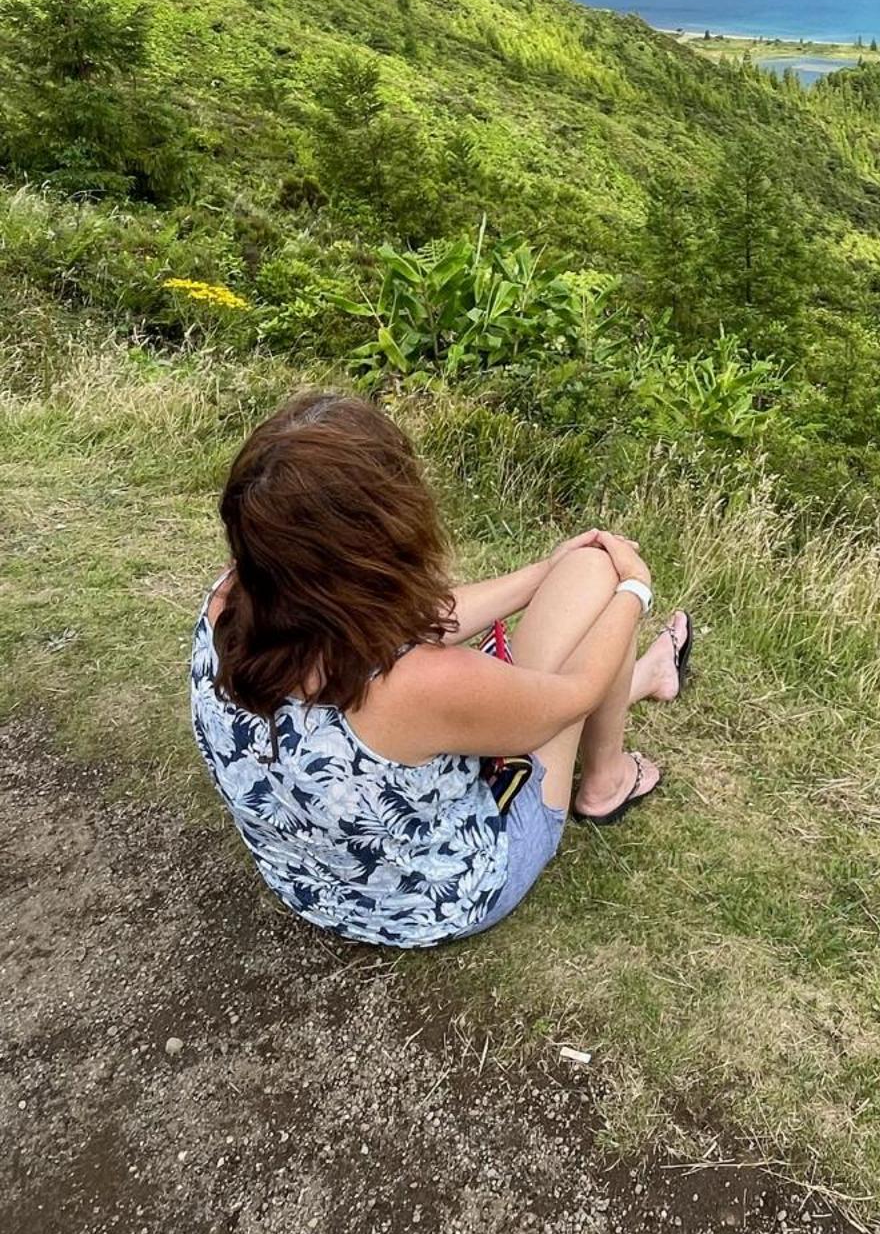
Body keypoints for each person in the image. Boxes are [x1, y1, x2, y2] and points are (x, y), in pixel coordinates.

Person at [190, 390, 691, 948]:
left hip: (306, 879)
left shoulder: (236, 597)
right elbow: (573, 694)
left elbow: (395, 626)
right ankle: (607, 781)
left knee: (580, 577)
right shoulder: (418, 685)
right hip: (438, 899)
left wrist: (544, 572)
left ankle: (646, 678)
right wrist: (634, 590)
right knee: (599, 595)